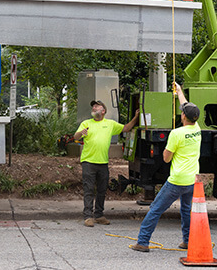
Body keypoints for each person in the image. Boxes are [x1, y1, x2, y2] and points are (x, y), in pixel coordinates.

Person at [131, 82, 201, 252]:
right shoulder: (198, 128)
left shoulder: (176, 133)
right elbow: (185, 105)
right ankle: (187, 241)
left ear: (183, 116)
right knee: (186, 210)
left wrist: (168, 152)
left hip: (177, 180)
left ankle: (143, 242)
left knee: (155, 209)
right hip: (192, 179)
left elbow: (167, 158)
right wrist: (179, 91)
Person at [74, 100, 140, 227]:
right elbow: (76, 137)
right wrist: (80, 133)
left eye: (96, 106)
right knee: (88, 189)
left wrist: (136, 117)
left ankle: (99, 215)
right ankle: (88, 216)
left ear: (103, 111)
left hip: (103, 162)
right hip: (88, 162)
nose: (93, 107)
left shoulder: (110, 124)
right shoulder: (86, 123)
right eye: (93, 106)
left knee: (102, 189)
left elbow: (126, 128)